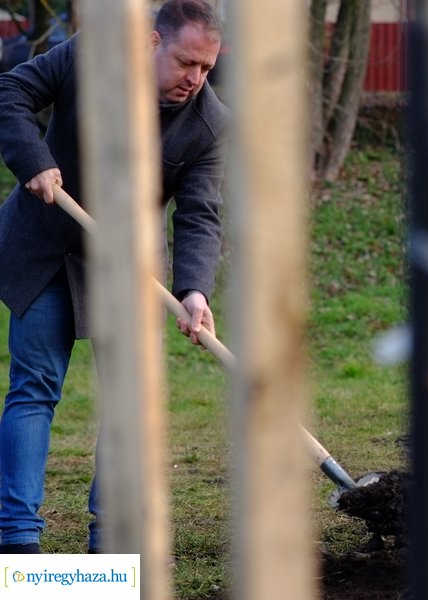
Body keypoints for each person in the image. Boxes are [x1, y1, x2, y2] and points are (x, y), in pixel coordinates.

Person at [0, 0, 230, 553]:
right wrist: (33, 159)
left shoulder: (209, 124)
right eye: (185, 63)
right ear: (152, 42)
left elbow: (201, 213)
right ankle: (17, 541)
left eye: (206, 69)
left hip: (130, 266)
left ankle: (110, 543)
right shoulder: (91, 56)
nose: (195, 80)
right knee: (34, 389)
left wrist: (194, 289)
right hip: (49, 245)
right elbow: (10, 92)